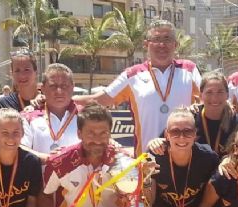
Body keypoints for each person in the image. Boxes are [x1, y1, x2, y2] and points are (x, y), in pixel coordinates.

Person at [74, 20, 201, 154]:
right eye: (156, 39)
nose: (162, 44)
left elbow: (209, 97)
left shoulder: (189, 70)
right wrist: (69, 100)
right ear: (146, 44)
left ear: (175, 44)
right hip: (147, 159)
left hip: (185, 157)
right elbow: (102, 99)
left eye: (167, 39)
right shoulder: (132, 75)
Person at [37, 103, 133, 207]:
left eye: (103, 133)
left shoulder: (124, 160)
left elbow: (135, 198)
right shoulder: (59, 162)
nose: (97, 140)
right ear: (79, 133)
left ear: (110, 133)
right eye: (91, 133)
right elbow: (46, 195)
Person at [143, 108, 219, 207]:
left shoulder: (208, 158)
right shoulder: (154, 157)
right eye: (175, 132)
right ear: (167, 134)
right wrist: (145, 178)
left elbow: (208, 202)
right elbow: (148, 201)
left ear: (195, 134)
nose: (182, 137)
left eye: (187, 131)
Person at [147, 71, 238, 158]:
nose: (215, 97)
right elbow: (159, 144)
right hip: (194, 175)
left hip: (225, 176)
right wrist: (154, 143)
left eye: (220, 92)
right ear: (200, 95)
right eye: (209, 92)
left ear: (227, 94)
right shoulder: (189, 119)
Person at [23, 63, 80, 159]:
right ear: (43, 88)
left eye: (64, 86)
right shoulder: (28, 117)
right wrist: (50, 160)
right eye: (53, 86)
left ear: (72, 87)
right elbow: (21, 148)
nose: (59, 91)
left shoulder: (85, 116)